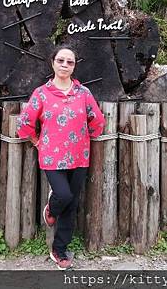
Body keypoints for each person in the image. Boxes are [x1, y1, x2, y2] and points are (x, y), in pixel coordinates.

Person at [16, 45, 105, 270]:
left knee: (72, 203)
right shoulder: (41, 93)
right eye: (61, 60)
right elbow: (25, 123)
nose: (65, 65)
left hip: (79, 156)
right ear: (52, 63)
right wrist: (37, 141)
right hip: (52, 156)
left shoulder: (83, 93)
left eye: (70, 62)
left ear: (74, 66)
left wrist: (88, 136)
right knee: (63, 196)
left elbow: (97, 119)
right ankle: (51, 210)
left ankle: (59, 249)